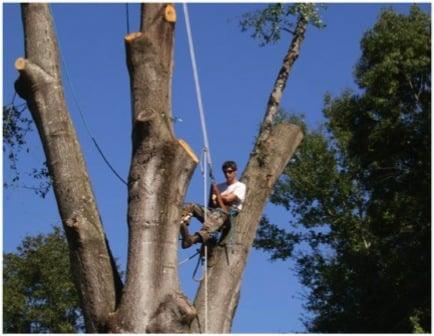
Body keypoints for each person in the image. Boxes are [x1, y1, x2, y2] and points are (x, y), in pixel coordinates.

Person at [180, 160, 246, 249]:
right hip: (214, 213)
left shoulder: (240, 186)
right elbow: (213, 204)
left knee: (219, 213)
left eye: (230, 172)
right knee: (191, 206)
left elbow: (229, 199)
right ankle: (183, 224)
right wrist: (215, 194)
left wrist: (218, 194)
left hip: (226, 217)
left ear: (235, 172)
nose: (227, 174)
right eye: (225, 172)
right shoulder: (219, 187)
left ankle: (193, 239)